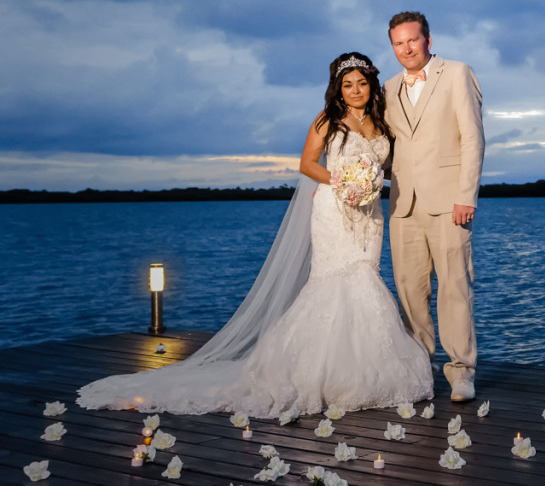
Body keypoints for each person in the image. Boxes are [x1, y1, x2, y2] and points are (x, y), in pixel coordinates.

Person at [77, 52, 433, 417]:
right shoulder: (329, 119)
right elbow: (307, 164)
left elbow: (388, 166)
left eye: (362, 83)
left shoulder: (381, 121)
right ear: (337, 89)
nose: (356, 90)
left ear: (371, 84)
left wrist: (373, 182)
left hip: (368, 213)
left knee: (365, 276)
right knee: (336, 280)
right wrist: (343, 181)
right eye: (348, 84)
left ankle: (364, 371)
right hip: (333, 208)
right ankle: (312, 372)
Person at [383, 11, 484, 402]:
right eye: (398, 43)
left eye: (412, 40)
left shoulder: (457, 73)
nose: (406, 49)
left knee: (455, 287)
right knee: (410, 290)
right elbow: (389, 147)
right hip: (402, 204)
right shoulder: (388, 88)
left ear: (427, 39)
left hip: (449, 203)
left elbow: (472, 139)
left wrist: (466, 196)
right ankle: (419, 369)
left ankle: (461, 372)